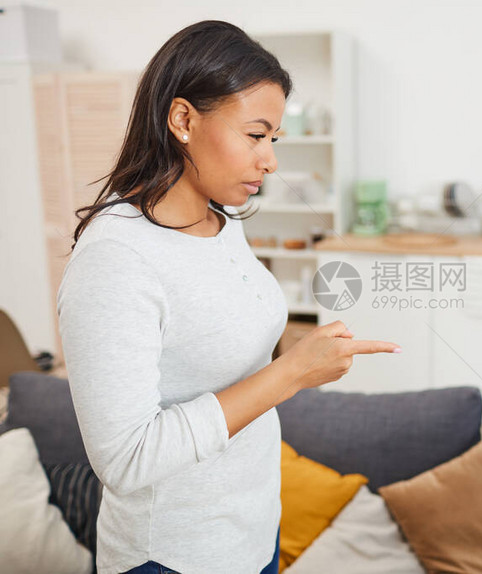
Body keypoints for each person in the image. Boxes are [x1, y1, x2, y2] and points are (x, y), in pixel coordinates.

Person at [57, 20, 400, 574]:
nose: (270, 160)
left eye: (275, 139)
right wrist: (290, 373)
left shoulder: (223, 220)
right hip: (173, 556)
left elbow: (219, 342)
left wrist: (297, 353)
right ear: (183, 119)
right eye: (255, 135)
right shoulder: (116, 259)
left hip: (253, 531)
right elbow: (125, 458)